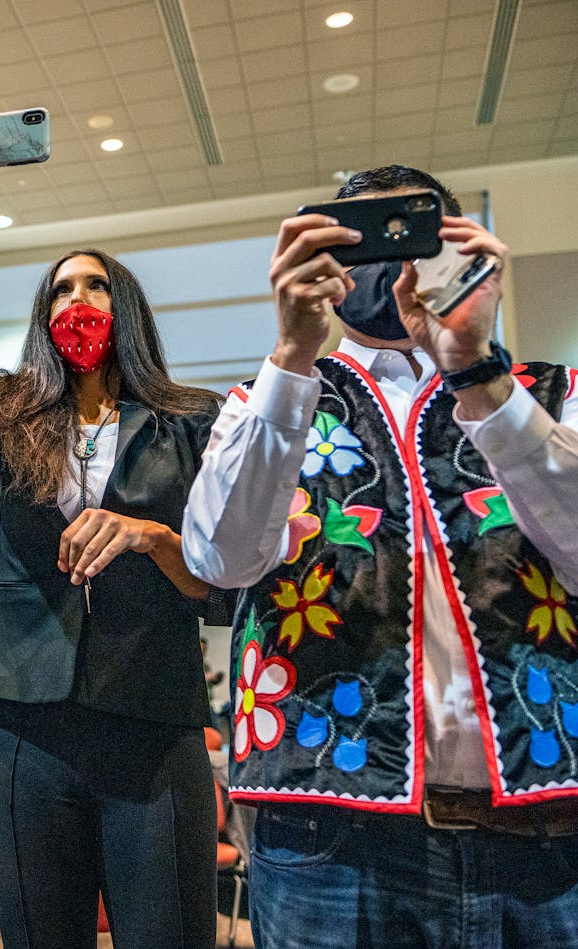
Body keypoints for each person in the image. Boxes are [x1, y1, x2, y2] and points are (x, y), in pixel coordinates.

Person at [182, 166, 578, 947]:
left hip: (544, 830)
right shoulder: (264, 398)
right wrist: (292, 354)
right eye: (360, 238)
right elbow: (220, 558)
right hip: (326, 834)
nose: (391, 264)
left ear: (462, 253)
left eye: (417, 234)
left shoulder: (547, 393)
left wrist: (482, 377)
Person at [0, 113, 227, 948]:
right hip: (27, 730)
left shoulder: (192, 420)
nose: (76, 300)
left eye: (93, 286)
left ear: (125, 308)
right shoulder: (14, 412)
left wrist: (152, 537)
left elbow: (224, 584)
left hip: (154, 724)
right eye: (60, 289)